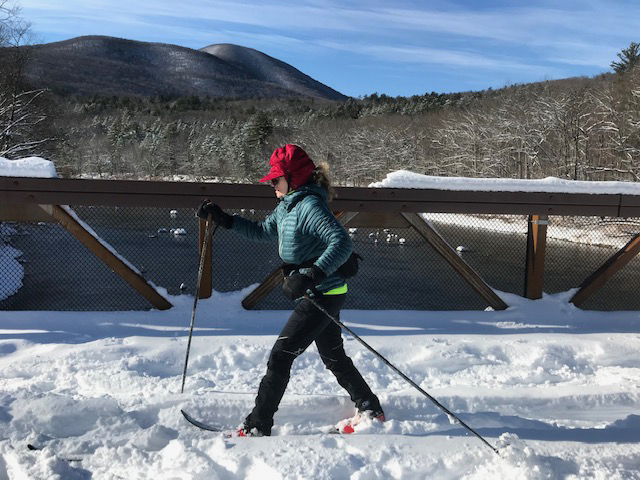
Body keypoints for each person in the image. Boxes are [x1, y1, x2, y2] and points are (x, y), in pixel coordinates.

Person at [197, 144, 384, 436]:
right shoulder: (289, 205)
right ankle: (370, 407)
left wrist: (313, 274)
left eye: (276, 179)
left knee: (281, 355)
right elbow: (263, 232)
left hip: (323, 291)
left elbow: (341, 242)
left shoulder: (309, 206)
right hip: (322, 291)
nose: (271, 184)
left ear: (294, 178)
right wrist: (226, 220)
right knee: (333, 355)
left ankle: (258, 425)